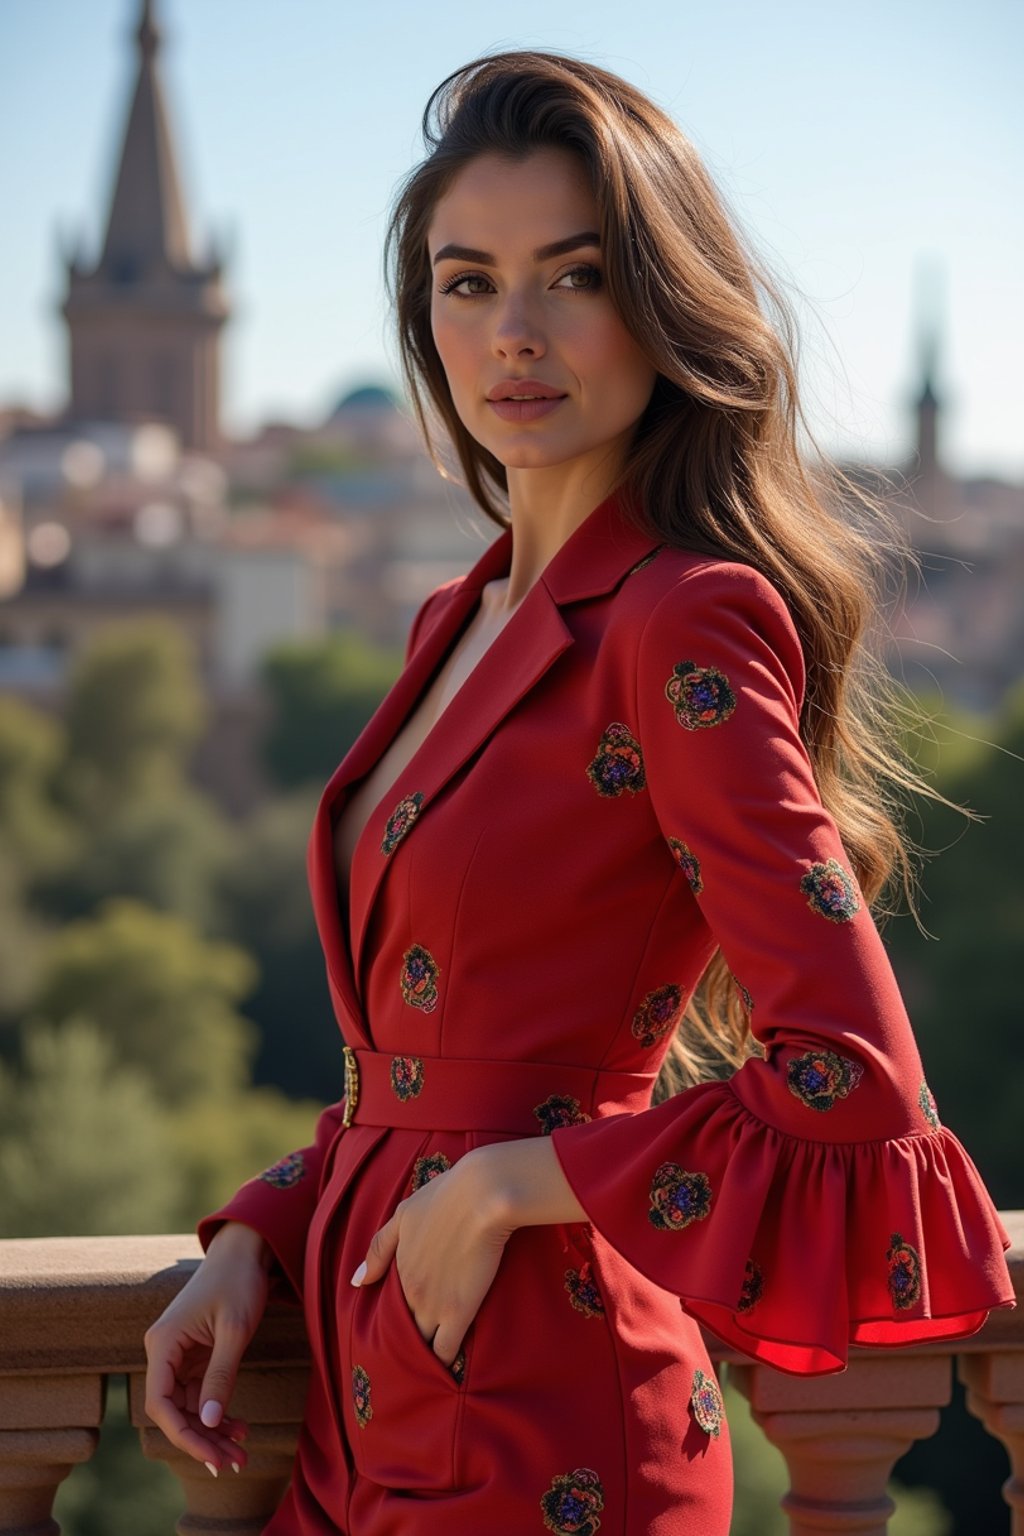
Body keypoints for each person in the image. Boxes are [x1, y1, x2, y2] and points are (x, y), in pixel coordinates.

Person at [143, 49, 1015, 1535]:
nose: (515, 335)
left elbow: (856, 1080)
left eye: (576, 275)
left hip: (554, 1415)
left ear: (660, 309)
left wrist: (507, 1190)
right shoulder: (455, 621)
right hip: (371, 1395)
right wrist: (265, 1225)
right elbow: (428, 1057)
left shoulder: (684, 617)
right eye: (467, 281)